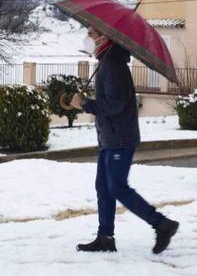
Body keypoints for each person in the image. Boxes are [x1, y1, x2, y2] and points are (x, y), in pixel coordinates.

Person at [70, 26, 180, 255]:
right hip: (110, 137)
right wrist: (87, 101)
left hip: (120, 137)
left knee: (117, 187)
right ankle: (105, 238)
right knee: (104, 187)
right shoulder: (107, 63)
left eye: (91, 33)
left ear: (105, 37)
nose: (88, 37)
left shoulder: (113, 66)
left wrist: (84, 104)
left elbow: (115, 105)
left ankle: (161, 224)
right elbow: (111, 101)